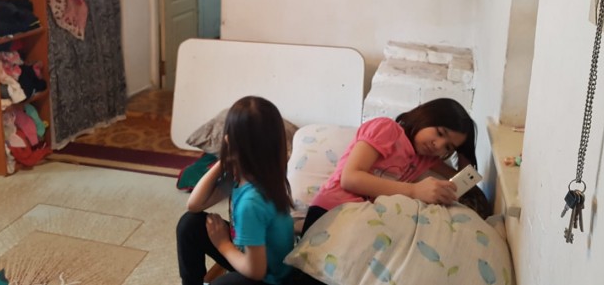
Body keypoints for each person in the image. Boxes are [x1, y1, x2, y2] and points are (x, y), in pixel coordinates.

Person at [301, 97, 478, 234]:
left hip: (364, 218)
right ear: (425, 116)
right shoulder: (387, 129)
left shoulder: (426, 159)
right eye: (439, 133)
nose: (438, 145)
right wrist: (414, 191)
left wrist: (464, 150)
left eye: (448, 147)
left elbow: (464, 177)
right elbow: (350, 178)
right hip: (331, 209)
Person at [176, 96, 295, 285]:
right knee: (189, 224)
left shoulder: (252, 202)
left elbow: (256, 271)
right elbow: (194, 205)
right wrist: (223, 162)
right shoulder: (252, 174)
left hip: (268, 278)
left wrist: (223, 244)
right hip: (247, 254)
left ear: (229, 140)